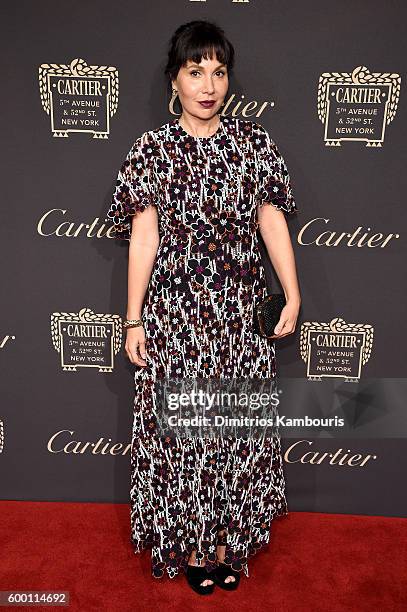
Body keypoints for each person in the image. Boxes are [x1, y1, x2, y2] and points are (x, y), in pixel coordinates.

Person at [107, 19, 301, 595]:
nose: (208, 84)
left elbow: (272, 220)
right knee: (184, 432)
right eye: (196, 72)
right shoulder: (151, 149)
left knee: (234, 430)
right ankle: (192, 544)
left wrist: (292, 292)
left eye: (218, 72)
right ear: (175, 80)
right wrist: (134, 318)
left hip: (240, 314)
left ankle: (227, 542)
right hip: (176, 314)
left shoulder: (254, 143)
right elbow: (144, 237)